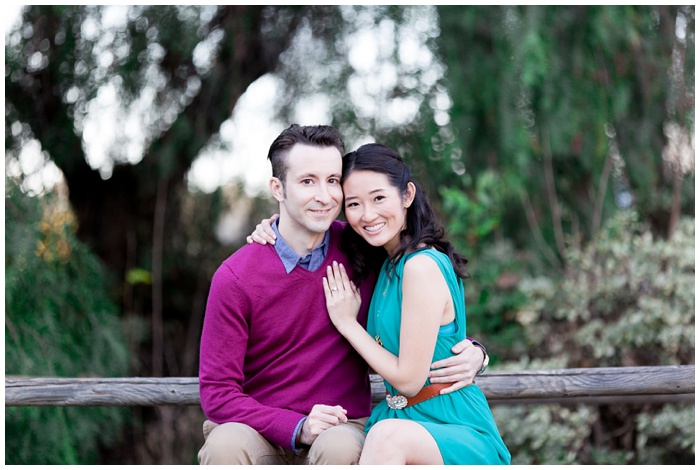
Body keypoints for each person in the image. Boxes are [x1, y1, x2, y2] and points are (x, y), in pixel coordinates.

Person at [198, 124, 488, 465]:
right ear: (278, 188)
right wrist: (297, 427)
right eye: (308, 181)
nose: (324, 196)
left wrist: (475, 352)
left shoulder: (365, 249)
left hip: (342, 424)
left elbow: (420, 315)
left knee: (337, 447)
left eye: (333, 181)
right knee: (224, 445)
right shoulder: (235, 277)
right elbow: (218, 393)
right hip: (259, 425)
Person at [322, 143, 510, 464]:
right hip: (403, 421)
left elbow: (409, 380)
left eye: (379, 198)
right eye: (354, 204)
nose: (368, 215)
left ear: (407, 195)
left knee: (384, 438)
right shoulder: (386, 264)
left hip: (449, 422)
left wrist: (347, 324)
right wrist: (274, 226)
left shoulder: (420, 266)